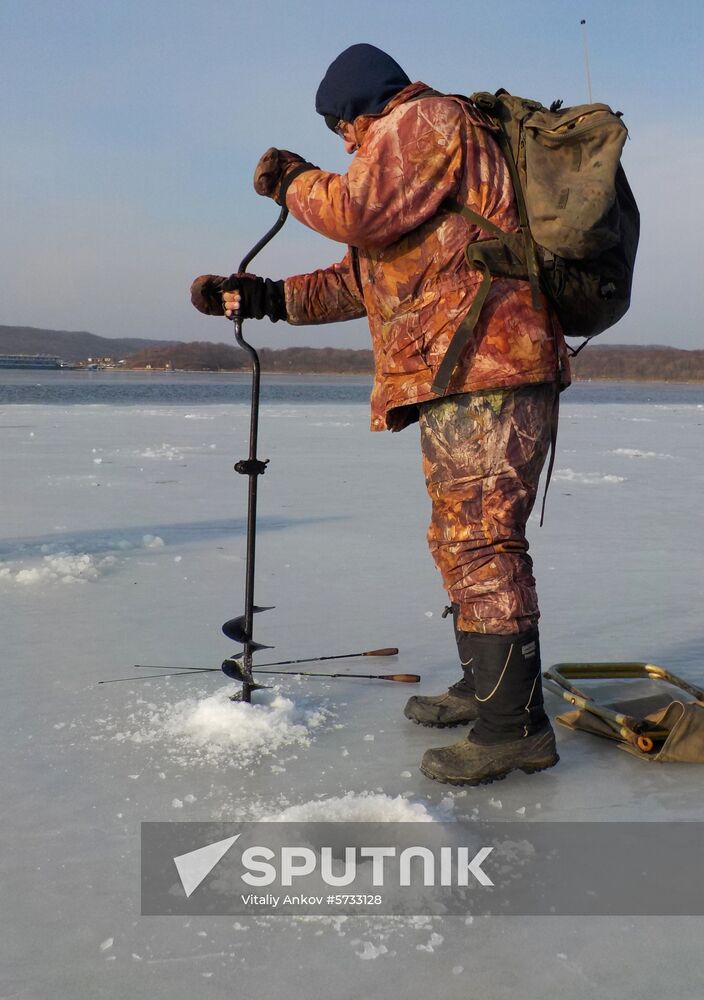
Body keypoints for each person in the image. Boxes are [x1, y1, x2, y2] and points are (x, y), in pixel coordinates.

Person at [191, 43, 571, 786]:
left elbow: (355, 212)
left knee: (483, 541)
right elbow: (359, 281)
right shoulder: (415, 171)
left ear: (357, 108)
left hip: (491, 364)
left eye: (340, 128)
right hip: (461, 373)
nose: (344, 144)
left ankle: (514, 729)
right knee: (458, 537)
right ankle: (485, 687)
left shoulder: (426, 119)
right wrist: (262, 297)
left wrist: (294, 179)